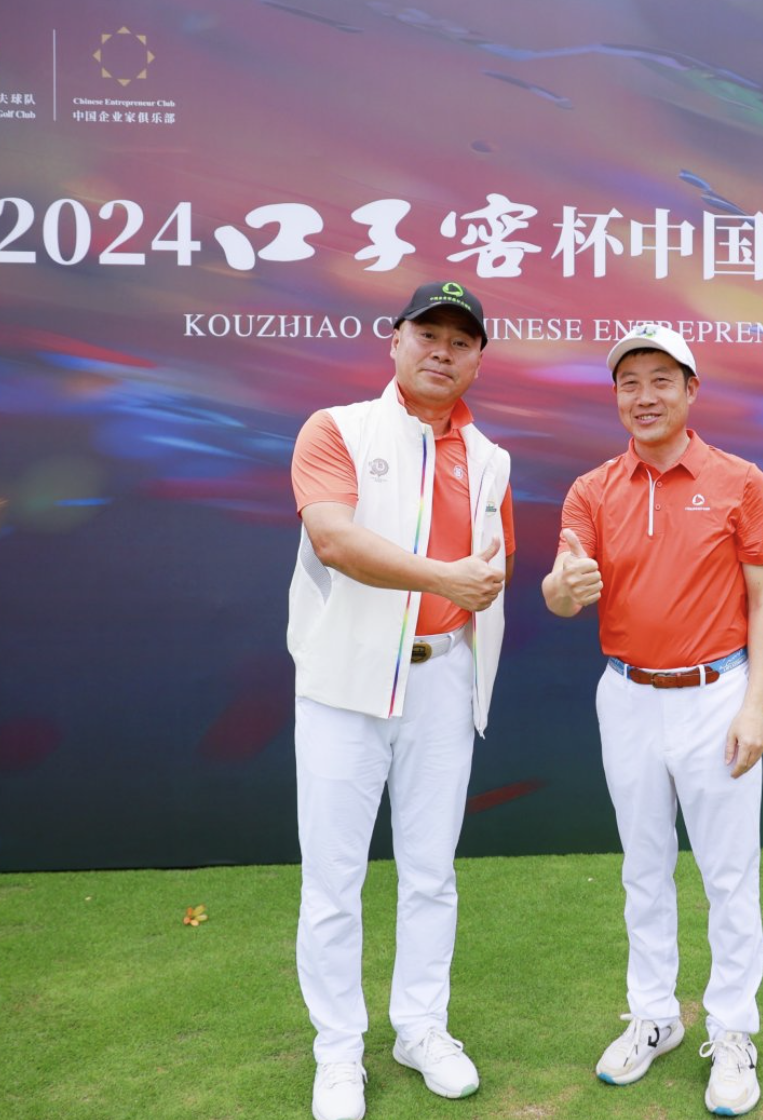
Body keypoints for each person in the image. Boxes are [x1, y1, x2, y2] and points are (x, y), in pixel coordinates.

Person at [541, 324, 763, 1117]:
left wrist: (755, 706)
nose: (643, 397)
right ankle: (654, 1016)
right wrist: (565, 586)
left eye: (660, 381)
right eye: (629, 383)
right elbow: (561, 591)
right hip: (627, 694)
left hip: (718, 693)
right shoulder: (592, 490)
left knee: (728, 873)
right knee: (643, 865)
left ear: (690, 390)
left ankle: (733, 1031)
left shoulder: (740, 481)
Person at [287, 280, 514, 1120]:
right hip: (345, 682)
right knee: (334, 879)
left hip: (443, 679)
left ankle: (421, 1029)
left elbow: (492, 569)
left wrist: (475, 586)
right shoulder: (337, 429)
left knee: (430, 873)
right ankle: (338, 1052)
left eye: (461, 341)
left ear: (478, 359)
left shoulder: (490, 459)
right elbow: (334, 538)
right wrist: (443, 578)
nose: (442, 352)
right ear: (396, 340)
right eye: (428, 334)